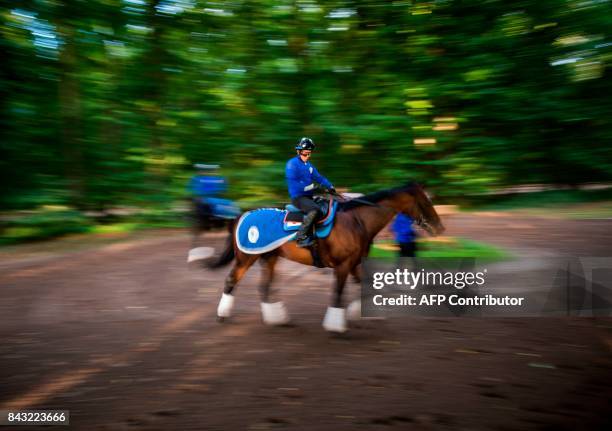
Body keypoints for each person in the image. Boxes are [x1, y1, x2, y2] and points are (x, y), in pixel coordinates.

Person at [285, 137, 335, 247]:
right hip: (298, 198)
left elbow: (319, 178)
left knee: (325, 205)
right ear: (299, 152)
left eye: (309, 153)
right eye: (304, 153)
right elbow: (294, 184)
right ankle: (301, 237)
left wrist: (330, 186)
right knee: (314, 209)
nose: (307, 156)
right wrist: (311, 187)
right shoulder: (292, 164)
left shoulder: (309, 166)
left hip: (308, 197)